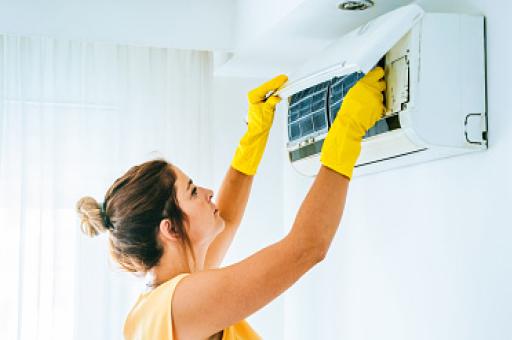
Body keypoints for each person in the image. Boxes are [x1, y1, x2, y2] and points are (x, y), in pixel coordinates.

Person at [76, 66, 386, 340]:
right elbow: (307, 247)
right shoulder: (182, 303)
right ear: (169, 228)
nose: (209, 192)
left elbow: (227, 216)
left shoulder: (161, 303)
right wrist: (347, 133)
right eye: (193, 191)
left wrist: (255, 134)